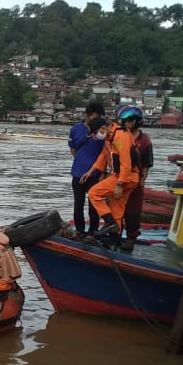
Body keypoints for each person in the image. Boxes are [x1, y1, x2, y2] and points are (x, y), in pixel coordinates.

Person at [81, 114, 140, 248]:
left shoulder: (120, 137)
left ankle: (109, 222)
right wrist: (91, 171)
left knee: (94, 193)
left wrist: (120, 184)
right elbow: (104, 155)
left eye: (96, 133)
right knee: (116, 208)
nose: (96, 136)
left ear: (103, 127)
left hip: (125, 177)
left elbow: (126, 163)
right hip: (128, 177)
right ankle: (115, 239)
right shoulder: (110, 137)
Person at [119, 107, 154, 252]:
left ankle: (131, 237)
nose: (127, 124)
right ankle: (115, 234)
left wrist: (142, 180)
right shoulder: (119, 136)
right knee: (116, 209)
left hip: (135, 180)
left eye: (130, 121)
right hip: (119, 179)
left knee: (133, 211)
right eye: (125, 121)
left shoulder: (144, 141)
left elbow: (146, 163)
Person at [68, 100, 105, 236]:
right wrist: (81, 161)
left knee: (94, 205)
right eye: (95, 117)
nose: (98, 120)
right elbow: (72, 149)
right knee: (78, 204)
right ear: (87, 115)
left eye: (100, 118)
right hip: (78, 173)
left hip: (95, 175)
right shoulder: (75, 129)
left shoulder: (102, 133)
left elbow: (105, 153)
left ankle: (92, 231)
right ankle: (79, 230)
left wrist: (101, 172)